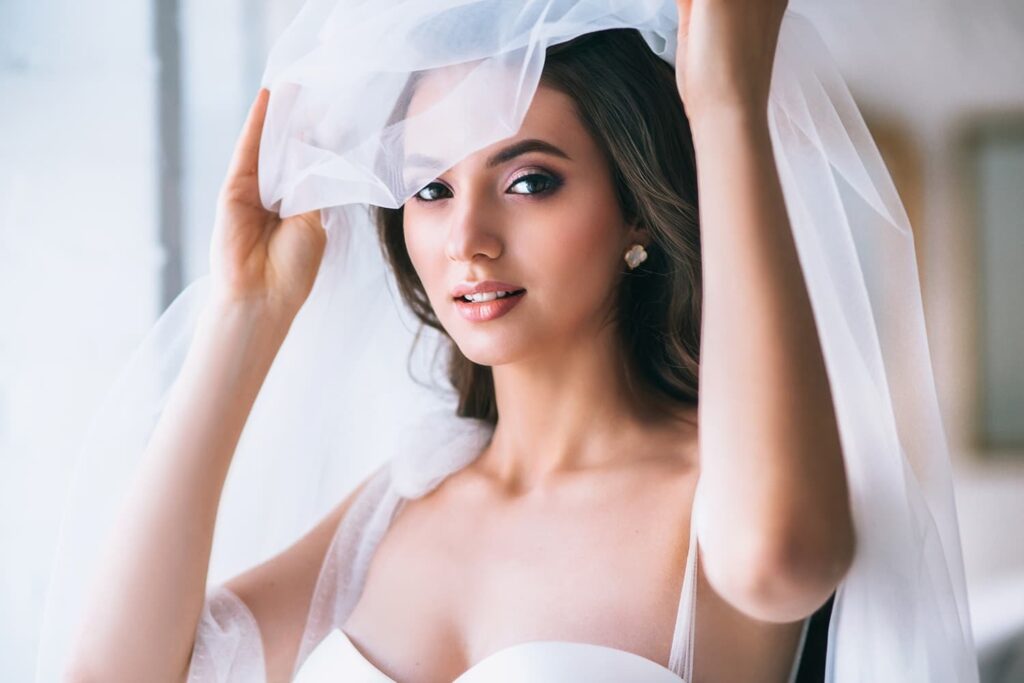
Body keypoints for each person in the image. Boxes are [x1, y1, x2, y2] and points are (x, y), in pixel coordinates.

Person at [47, 2, 978, 682]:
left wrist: (724, 104)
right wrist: (246, 310)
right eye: (429, 188)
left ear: (634, 212)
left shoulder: (718, 493)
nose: (468, 239)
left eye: (528, 181)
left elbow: (781, 558)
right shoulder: (395, 506)